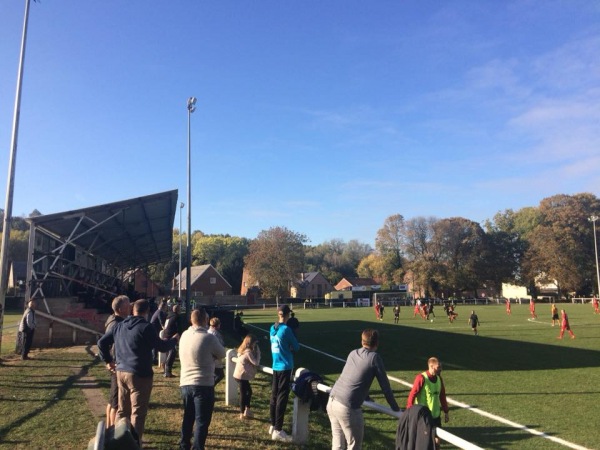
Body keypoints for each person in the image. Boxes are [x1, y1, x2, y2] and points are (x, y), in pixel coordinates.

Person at [98, 299, 179, 445]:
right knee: (137, 413)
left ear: (132, 310)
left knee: (122, 411)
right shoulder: (145, 327)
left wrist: (108, 360)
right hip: (139, 374)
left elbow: (102, 342)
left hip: (121, 372)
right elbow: (161, 346)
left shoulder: (120, 325)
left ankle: (117, 442)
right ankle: (134, 444)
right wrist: (174, 340)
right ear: (147, 312)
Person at [327, 329, 400, 450]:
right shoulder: (374, 358)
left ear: (362, 341)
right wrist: (396, 408)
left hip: (332, 401)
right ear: (377, 343)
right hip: (347, 406)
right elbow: (385, 387)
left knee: (338, 445)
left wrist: (364, 396)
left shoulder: (353, 353)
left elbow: (352, 377)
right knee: (354, 446)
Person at [178, 308, 226, 450]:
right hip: (203, 383)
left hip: (186, 382)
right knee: (202, 421)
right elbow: (222, 353)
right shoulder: (209, 338)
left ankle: (184, 445)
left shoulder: (185, 335)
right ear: (205, 321)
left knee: (188, 417)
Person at [268, 304, 299, 442]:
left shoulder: (272, 328)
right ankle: (278, 430)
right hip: (285, 366)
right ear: (286, 315)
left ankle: (273, 424)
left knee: (274, 395)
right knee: (282, 397)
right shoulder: (286, 329)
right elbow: (296, 347)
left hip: (275, 365)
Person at [406, 357, 449, 449]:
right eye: (438, 367)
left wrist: (446, 411)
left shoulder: (439, 379)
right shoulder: (421, 378)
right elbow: (412, 395)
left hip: (436, 416)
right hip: (424, 418)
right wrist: (409, 411)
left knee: (437, 441)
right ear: (431, 366)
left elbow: (442, 396)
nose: (440, 369)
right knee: (425, 442)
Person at [103, 295, 131, 429]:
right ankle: (113, 432)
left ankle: (109, 428)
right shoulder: (117, 323)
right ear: (120, 309)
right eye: (127, 305)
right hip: (116, 363)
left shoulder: (112, 319)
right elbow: (105, 343)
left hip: (114, 362)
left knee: (112, 399)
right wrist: (109, 360)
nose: (130, 307)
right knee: (116, 402)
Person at [233, 333, 261, 420]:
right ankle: (242, 412)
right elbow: (256, 363)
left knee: (248, 392)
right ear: (251, 343)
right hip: (242, 376)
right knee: (244, 394)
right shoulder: (248, 352)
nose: (255, 346)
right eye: (255, 344)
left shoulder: (242, 350)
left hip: (240, 375)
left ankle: (247, 409)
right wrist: (259, 353)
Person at [163, 304, 180, 378]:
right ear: (178, 310)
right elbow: (177, 327)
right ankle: (167, 371)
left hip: (166, 335)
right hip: (171, 336)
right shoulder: (176, 317)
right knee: (172, 352)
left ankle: (167, 370)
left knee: (170, 353)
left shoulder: (169, 316)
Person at [207, 317, 226, 385]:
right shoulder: (216, 334)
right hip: (215, 357)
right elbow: (220, 344)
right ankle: (210, 387)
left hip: (210, 356)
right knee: (220, 375)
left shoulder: (208, 331)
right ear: (218, 325)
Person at [150, 299, 168, 365]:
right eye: (166, 307)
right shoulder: (160, 312)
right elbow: (161, 321)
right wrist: (164, 328)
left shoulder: (157, 311)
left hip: (154, 328)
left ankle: (154, 358)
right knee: (155, 343)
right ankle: (154, 358)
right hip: (155, 329)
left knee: (155, 343)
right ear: (163, 307)